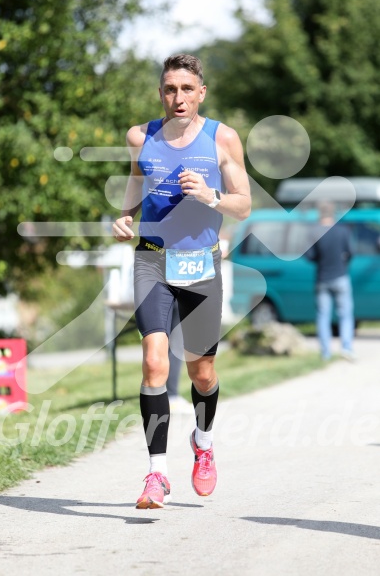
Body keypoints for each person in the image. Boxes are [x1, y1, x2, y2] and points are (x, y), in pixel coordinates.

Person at [113, 54, 251, 509]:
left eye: (187, 89)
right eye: (171, 89)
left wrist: (211, 196)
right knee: (154, 363)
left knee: (202, 373)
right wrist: (125, 214)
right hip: (152, 259)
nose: (179, 97)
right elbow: (137, 179)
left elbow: (244, 205)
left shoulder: (222, 138)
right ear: (161, 93)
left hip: (200, 264)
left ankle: (203, 442)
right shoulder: (141, 136)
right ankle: (156, 475)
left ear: (201, 93)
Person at [306, 202, 355, 361]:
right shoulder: (342, 231)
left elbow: (310, 256)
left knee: (323, 316)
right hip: (341, 277)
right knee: (345, 315)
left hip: (322, 278)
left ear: (319, 213)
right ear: (333, 213)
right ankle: (346, 348)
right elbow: (350, 253)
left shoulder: (314, 232)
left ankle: (325, 353)